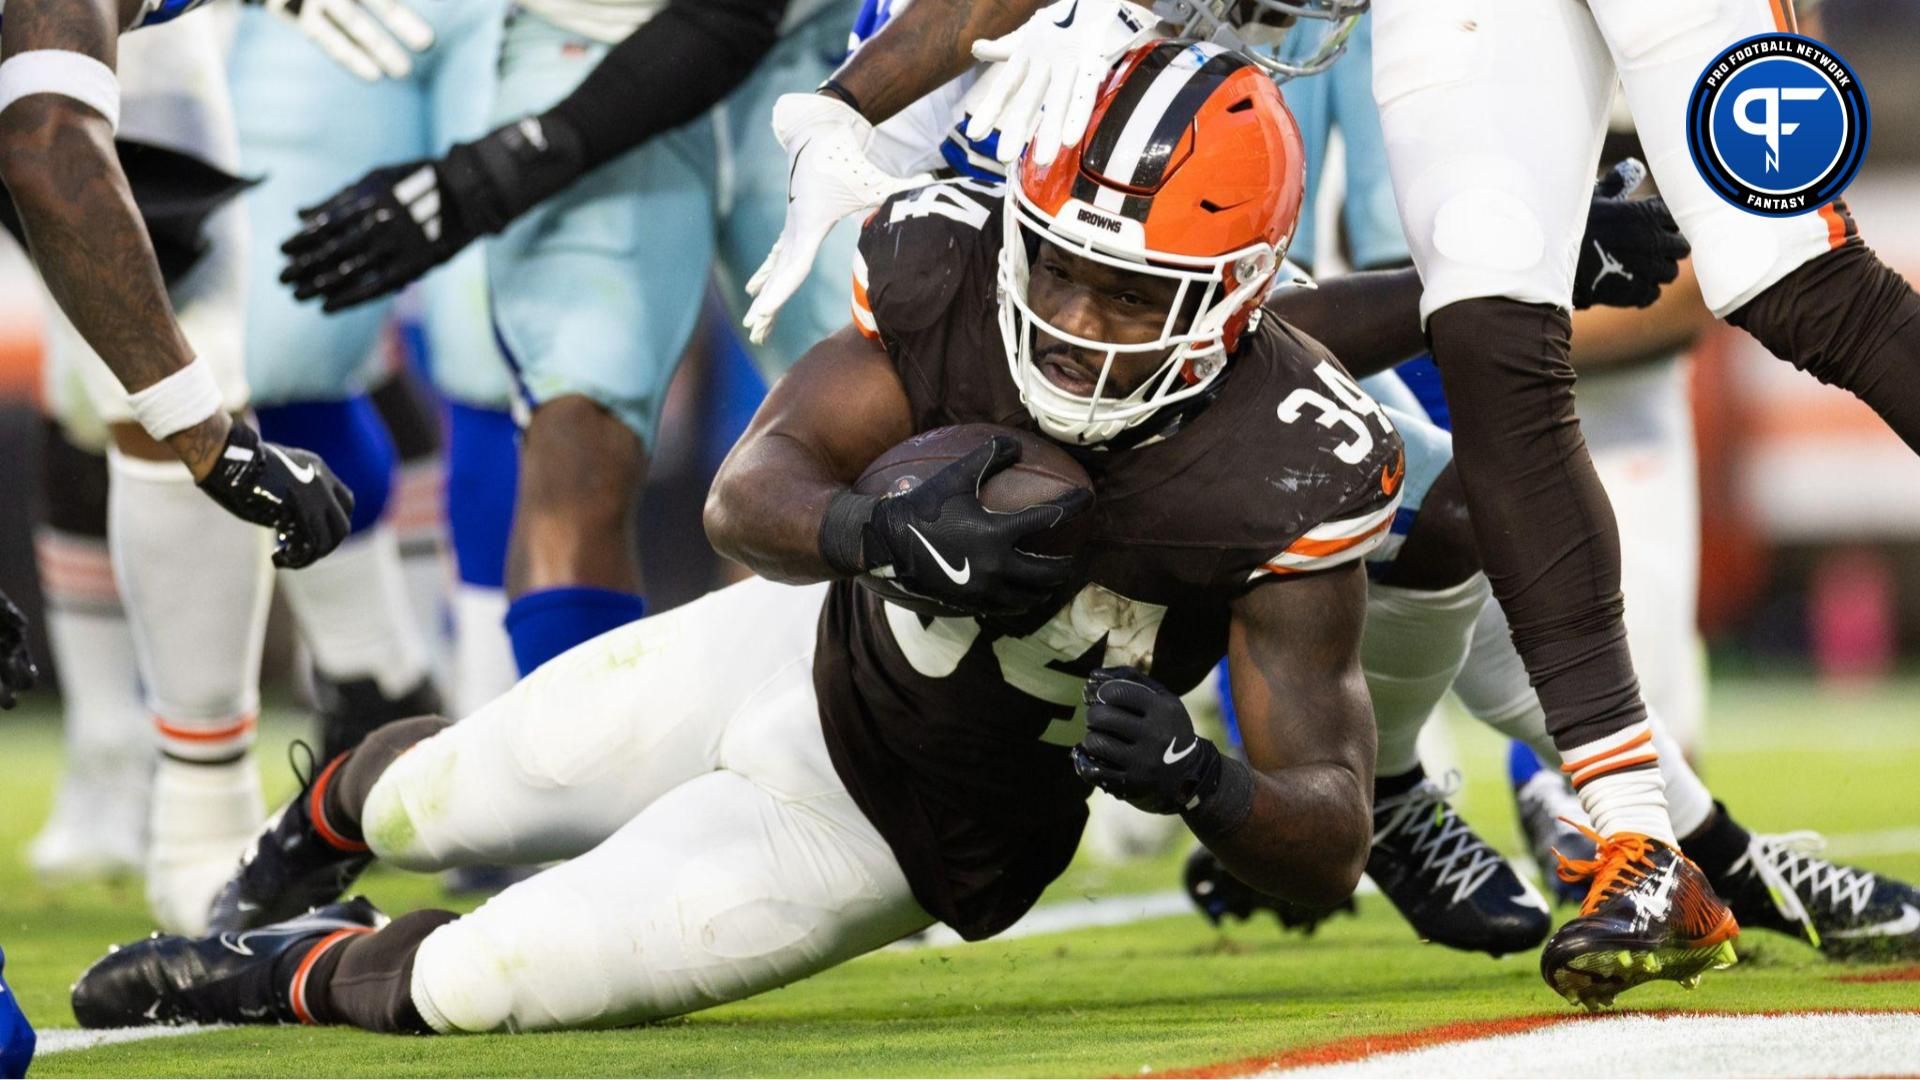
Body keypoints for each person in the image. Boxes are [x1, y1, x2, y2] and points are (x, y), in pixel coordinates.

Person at [72, 42, 1405, 1034]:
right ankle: (305, 832)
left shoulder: (1293, 466)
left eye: (1129, 294)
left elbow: (1332, 834)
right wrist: (868, 530)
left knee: (490, 982)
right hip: (791, 643)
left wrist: (1202, 783)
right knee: (443, 793)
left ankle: (264, 976)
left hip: (900, 828)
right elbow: (746, 489)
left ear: (1235, 296)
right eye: (1055, 262)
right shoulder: (950, 265)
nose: (1070, 313)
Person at [273, 0, 868, 680]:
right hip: (583, 32)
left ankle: (895, 752)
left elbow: (728, 21)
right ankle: (564, 772)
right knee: (576, 432)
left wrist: (490, 175)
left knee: (897, 426)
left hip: (841, 54)